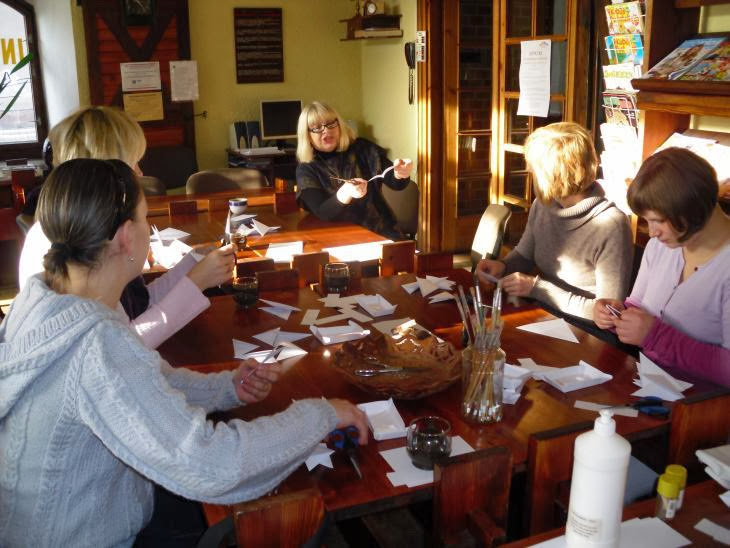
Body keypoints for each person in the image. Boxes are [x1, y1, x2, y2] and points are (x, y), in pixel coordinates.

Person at [0, 158, 369, 547]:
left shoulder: (44, 298)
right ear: (125, 237)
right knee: (295, 520)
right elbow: (213, 466)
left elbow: (141, 382)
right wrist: (321, 415)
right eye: (145, 218)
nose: (148, 229)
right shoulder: (95, 344)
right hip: (84, 537)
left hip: (54, 522)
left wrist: (227, 388)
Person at [17, 105, 234, 349]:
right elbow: (118, 348)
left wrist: (192, 265)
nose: (140, 173)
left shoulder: (98, 225)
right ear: (108, 167)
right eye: (133, 163)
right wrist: (196, 283)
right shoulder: (65, 241)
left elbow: (139, 305)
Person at [594, 148, 730, 387]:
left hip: (702, 403)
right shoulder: (663, 245)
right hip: (649, 383)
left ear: (692, 210)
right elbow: (639, 305)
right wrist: (618, 315)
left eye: (657, 221)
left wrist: (654, 336)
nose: (652, 232)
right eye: (647, 221)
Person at [476, 122, 633, 323]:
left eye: (535, 168)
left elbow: (608, 313)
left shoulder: (611, 226)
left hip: (584, 329)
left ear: (556, 175)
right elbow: (525, 255)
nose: (529, 170)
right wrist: (503, 266)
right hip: (544, 316)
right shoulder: (543, 205)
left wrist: (537, 288)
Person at [295, 101, 414, 239]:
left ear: (339, 125)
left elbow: (396, 183)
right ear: (307, 135)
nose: (326, 130)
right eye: (316, 128)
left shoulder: (362, 148)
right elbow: (323, 212)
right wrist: (345, 193)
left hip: (381, 232)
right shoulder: (307, 169)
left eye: (330, 124)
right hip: (337, 239)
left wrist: (401, 174)